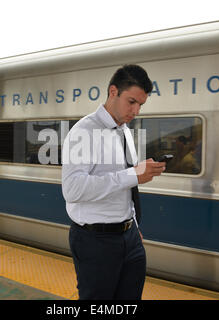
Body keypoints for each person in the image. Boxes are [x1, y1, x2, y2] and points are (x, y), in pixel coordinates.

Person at [61, 64, 166, 300]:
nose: (136, 111)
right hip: (95, 241)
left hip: (129, 237)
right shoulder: (83, 132)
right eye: (131, 102)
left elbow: (123, 185)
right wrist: (133, 175)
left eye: (141, 105)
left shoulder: (124, 131)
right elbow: (72, 189)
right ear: (113, 92)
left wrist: (133, 225)